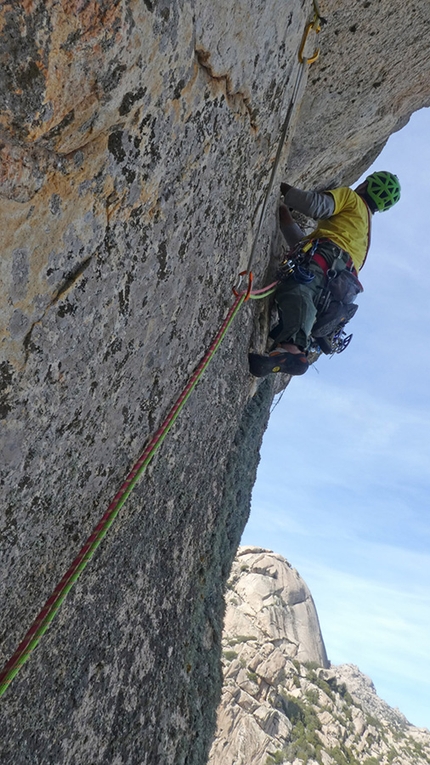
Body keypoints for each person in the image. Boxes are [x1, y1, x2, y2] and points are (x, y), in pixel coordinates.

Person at [249, 171, 401, 377]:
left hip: (328, 258)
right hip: (341, 283)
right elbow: (306, 248)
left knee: (299, 289)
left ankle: (292, 351)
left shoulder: (352, 198)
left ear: (365, 185)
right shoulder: (362, 233)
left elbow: (317, 206)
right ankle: (290, 347)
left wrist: (282, 188)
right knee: (307, 296)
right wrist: (285, 217)